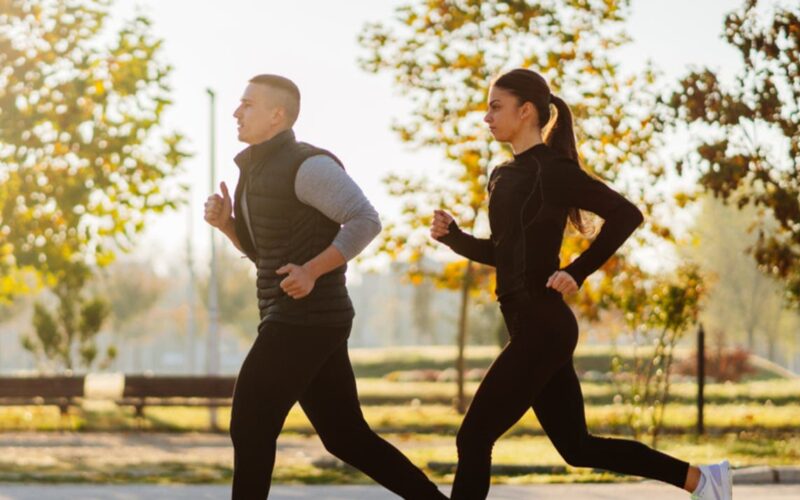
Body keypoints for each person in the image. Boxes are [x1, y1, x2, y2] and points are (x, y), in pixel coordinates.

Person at [431, 68, 733, 500]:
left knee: (474, 438)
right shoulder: (502, 174)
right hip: (527, 324)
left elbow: (627, 214)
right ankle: (704, 481)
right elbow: (505, 254)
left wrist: (577, 271)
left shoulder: (553, 171)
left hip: (543, 324)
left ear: (526, 110)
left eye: (496, 107)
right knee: (576, 447)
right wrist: (455, 238)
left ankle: (705, 482)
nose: (487, 117)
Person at [205, 74, 446, 500]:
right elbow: (268, 253)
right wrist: (227, 226)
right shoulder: (256, 171)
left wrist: (313, 270)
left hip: (303, 319)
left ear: (277, 114)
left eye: (247, 104)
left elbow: (365, 219)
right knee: (346, 437)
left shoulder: (307, 165)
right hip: (310, 319)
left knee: (250, 426)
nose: (236, 112)